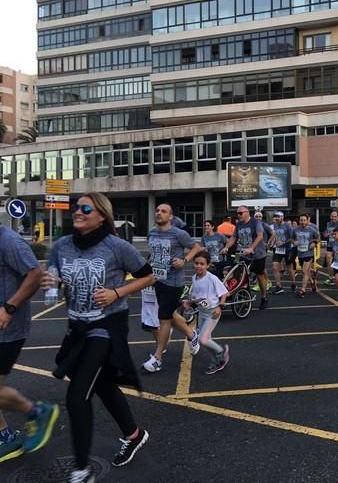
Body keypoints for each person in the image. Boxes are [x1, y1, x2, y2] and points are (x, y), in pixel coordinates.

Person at [46, 193, 153, 483]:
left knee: (77, 395)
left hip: (106, 326)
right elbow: (53, 275)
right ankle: (134, 434)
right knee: (103, 384)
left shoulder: (117, 246)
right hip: (77, 327)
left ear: (101, 215)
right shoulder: (61, 245)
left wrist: (116, 293)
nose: (76, 212)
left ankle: (82, 470)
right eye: (75, 207)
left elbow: (148, 276)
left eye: (84, 208)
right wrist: (51, 283)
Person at [0, 224, 58, 463]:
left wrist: (9, 307)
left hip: (7, 329)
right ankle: (5, 437)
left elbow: (34, 273)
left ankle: (37, 412)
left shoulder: (8, 240)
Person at [143, 203, 202, 373]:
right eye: (157, 210)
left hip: (173, 282)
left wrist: (185, 260)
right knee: (169, 313)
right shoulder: (151, 233)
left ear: (170, 216)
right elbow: (153, 254)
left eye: (164, 211)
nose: (159, 213)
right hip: (156, 280)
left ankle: (157, 358)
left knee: (164, 318)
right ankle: (191, 335)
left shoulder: (178, 234)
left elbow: (196, 247)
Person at [184, 251, 230, 375]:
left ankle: (221, 353)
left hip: (213, 313)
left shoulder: (212, 278)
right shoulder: (194, 278)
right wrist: (189, 302)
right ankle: (217, 357)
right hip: (202, 312)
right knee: (206, 339)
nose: (199, 266)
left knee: (202, 340)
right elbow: (198, 295)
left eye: (202, 264)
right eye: (196, 263)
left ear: (208, 265)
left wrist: (220, 307)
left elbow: (224, 293)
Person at [230, 206, 269, 309]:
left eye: (240, 213)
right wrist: (226, 247)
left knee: (259, 276)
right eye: (237, 213)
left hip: (258, 254)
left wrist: (251, 248)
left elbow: (260, 236)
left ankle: (264, 297)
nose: (238, 215)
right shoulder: (238, 224)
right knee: (241, 276)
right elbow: (234, 237)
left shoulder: (256, 222)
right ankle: (245, 298)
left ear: (247, 213)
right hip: (244, 254)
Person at [292, 213, 320, 298]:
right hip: (300, 253)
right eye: (301, 220)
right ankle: (312, 282)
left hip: (309, 253)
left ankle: (302, 290)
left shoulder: (312, 230)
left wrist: (314, 243)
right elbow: (292, 238)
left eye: (304, 220)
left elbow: (318, 238)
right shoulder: (296, 230)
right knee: (306, 271)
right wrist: (294, 242)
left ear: (307, 220)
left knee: (304, 271)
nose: (303, 222)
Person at [270, 212, 296, 294]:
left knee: (289, 268)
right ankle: (279, 286)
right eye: (275, 217)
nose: (276, 218)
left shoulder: (288, 226)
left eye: (278, 217)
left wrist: (283, 242)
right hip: (278, 249)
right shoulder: (275, 226)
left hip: (287, 249)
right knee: (275, 267)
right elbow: (275, 236)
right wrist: (272, 242)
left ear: (282, 217)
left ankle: (294, 283)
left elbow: (292, 238)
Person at [323, 210, 338, 285]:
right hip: (330, 245)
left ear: (337, 217)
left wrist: (335, 235)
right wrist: (326, 235)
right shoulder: (328, 224)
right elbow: (325, 234)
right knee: (328, 261)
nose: (333, 218)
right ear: (330, 217)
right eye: (332, 216)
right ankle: (330, 277)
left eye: (335, 217)